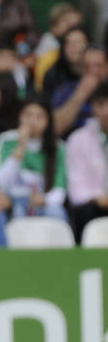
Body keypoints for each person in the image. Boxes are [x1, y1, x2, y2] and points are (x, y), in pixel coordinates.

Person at [65, 83, 108, 239]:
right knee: (84, 211)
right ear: (92, 107)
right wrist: (98, 197)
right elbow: (76, 186)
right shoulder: (77, 139)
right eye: (101, 104)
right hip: (93, 204)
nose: (106, 111)